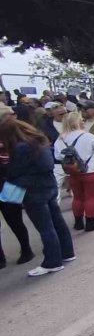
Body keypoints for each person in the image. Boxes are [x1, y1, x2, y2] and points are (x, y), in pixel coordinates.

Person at [1, 116, 75, 277]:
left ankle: (52, 261)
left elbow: (13, 171)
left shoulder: (20, 149)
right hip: (48, 186)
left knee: (45, 228)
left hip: (32, 191)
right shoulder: (39, 142)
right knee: (58, 223)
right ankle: (67, 253)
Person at [54, 112, 94, 232]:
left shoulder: (60, 139)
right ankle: (90, 222)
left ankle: (78, 222)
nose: (83, 121)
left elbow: (58, 156)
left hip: (73, 172)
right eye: (81, 119)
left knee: (77, 198)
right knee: (91, 198)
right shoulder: (89, 136)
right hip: (92, 170)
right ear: (77, 122)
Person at [0, 106, 34, 268]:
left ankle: (26, 249)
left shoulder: (17, 134)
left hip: (10, 182)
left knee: (14, 219)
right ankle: (0, 256)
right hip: (7, 180)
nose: (13, 117)